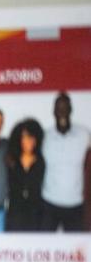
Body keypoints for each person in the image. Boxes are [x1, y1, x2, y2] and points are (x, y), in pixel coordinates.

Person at [41, 92, 91, 231]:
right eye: (59, 108)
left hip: (75, 204)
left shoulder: (84, 134)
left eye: (65, 108)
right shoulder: (45, 136)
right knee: (46, 248)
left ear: (71, 110)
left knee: (76, 250)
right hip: (49, 203)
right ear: (53, 111)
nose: (62, 112)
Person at [5, 118, 46, 232]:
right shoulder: (11, 160)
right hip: (15, 213)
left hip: (36, 214)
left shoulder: (41, 161)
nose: (29, 141)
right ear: (19, 139)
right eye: (25, 137)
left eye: (32, 137)